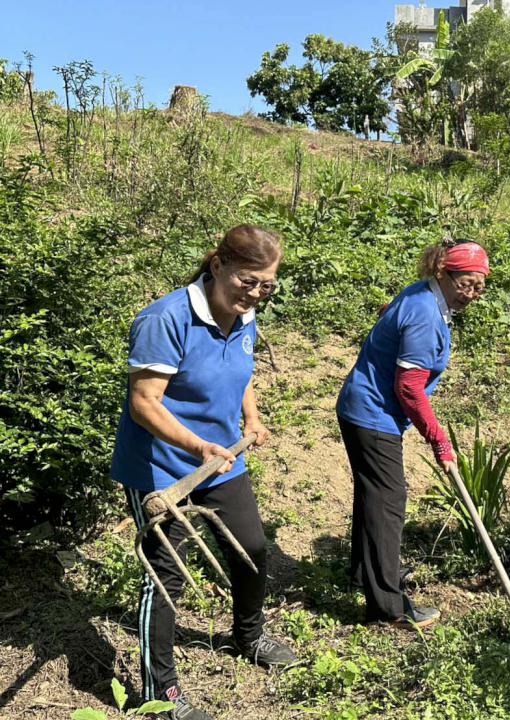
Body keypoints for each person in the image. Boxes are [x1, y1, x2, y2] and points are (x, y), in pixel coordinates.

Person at [111, 225, 297, 720]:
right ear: (217, 266)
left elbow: (241, 371)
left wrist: (251, 417)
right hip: (163, 470)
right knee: (164, 578)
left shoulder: (245, 314)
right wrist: (197, 445)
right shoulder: (166, 319)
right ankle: (159, 694)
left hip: (219, 460)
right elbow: (143, 404)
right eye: (247, 280)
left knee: (252, 547)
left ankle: (249, 634)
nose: (256, 293)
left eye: (266, 285)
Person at [336, 238, 490, 629]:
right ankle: (387, 606)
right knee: (388, 502)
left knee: (375, 497)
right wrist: (438, 438)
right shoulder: (425, 313)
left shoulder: (422, 295)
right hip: (373, 414)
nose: (471, 294)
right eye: (465, 284)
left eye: (479, 286)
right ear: (444, 273)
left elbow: (390, 315)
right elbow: (409, 388)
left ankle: (367, 574)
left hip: (367, 409)